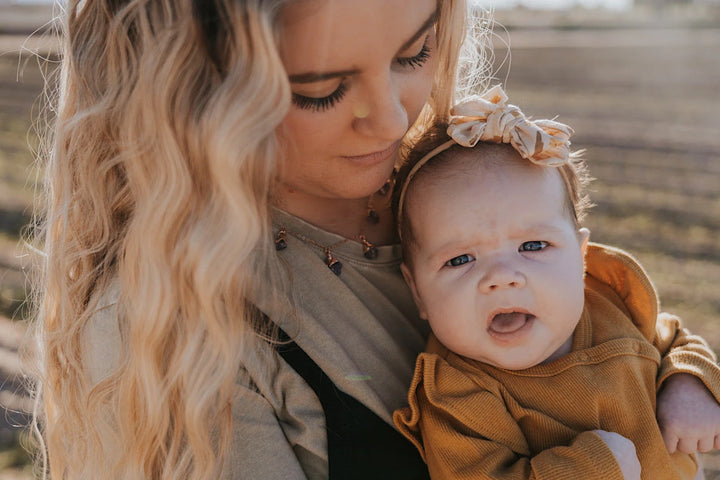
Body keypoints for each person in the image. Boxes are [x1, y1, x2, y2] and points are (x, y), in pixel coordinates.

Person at [28, 0, 717, 479]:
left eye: (415, 52)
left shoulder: (465, 184)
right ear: (194, 91)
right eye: (322, 89)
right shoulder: (170, 331)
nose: (393, 119)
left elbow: (648, 335)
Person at [391, 85, 720, 480]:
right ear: (417, 291)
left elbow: (674, 340)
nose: (502, 278)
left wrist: (688, 382)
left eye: (533, 245)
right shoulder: (457, 397)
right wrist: (591, 468)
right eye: (460, 259)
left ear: (581, 258)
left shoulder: (610, 300)